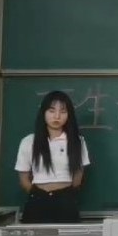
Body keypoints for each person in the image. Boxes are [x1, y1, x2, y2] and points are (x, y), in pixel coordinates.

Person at [15, 90, 90, 224]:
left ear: (69, 115)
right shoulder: (29, 141)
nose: (57, 116)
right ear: (43, 113)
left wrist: (64, 194)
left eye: (63, 112)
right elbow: (23, 179)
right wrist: (39, 194)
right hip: (37, 200)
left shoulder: (77, 141)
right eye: (51, 111)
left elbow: (78, 178)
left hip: (66, 201)